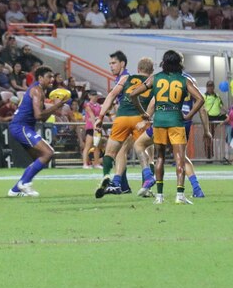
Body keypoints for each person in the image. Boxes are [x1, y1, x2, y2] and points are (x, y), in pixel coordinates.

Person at [128, 50, 204, 204]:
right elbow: (200, 99)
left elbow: (133, 94)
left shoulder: (155, 78)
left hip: (160, 121)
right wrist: (189, 116)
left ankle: (159, 196)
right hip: (176, 119)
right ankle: (180, 195)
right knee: (179, 158)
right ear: (179, 63)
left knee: (159, 157)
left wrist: (144, 113)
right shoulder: (184, 80)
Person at [92, 52, 153, 198]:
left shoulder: (126, 78)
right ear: (151, 71)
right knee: (145, 151)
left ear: (138, 69)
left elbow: (111, 95)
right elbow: (154, 101)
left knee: (112, 152)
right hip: (139, 118)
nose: (111, 66)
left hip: (122, 117)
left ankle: (110, 178)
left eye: (113, 63)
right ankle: (146, 183)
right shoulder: (153, 81)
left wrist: (100, 116)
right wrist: (147, 118)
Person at [7, 65, 69, 197]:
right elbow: (38, 116)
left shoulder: (39, 90)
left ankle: (15, 190)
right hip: (21, 126)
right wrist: (57, 105)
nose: (52, 79)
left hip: (22, 126)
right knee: (48, 153)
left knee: (39, 158)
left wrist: (55, 109)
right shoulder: (37, 91)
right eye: (49, 77)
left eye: (52, 76)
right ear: (40, 78)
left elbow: (42, 118)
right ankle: (24, 184)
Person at [203, 80, 225, 162]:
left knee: (227, 117)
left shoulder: (217, 96)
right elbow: (202, 108)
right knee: (209, 137)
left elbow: (222, 106)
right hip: (209, 118)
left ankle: (218, 155)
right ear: (207, 87)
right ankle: (209, 156)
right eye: (209, 86)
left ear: (213, 87)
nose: (210, 88)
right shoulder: (204, 96)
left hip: (217, 117)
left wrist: (229, 112)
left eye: (211, 86)